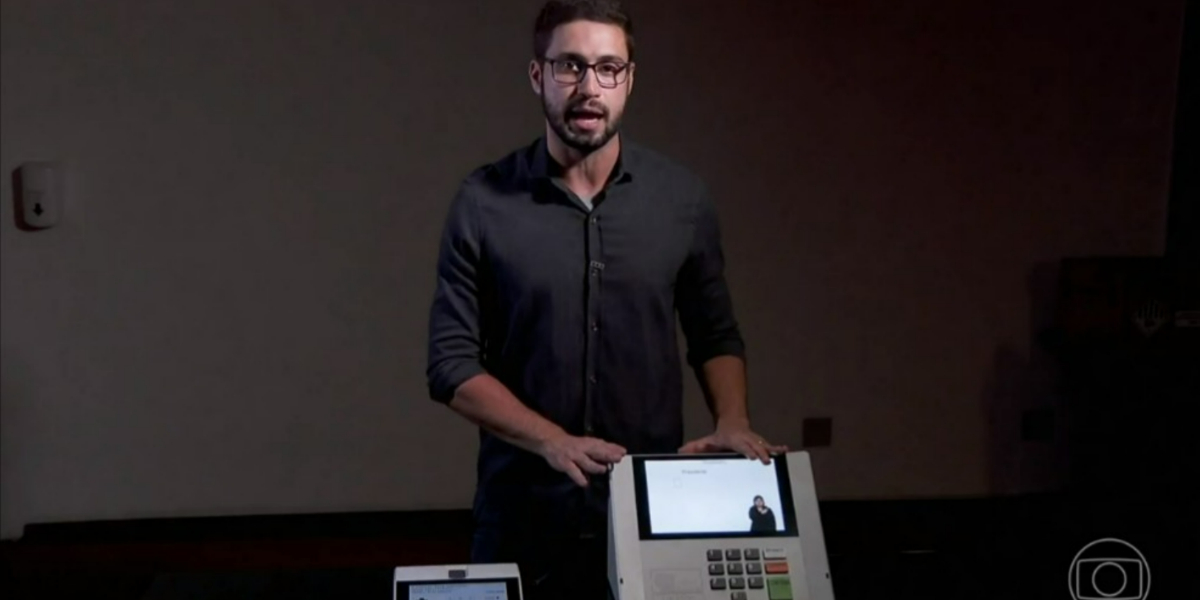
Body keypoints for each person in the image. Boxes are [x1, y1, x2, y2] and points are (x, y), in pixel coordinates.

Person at [425, 1, 787, 598]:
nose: (589, 87)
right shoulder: (483, 202)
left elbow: (714, 333)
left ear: (630, 80)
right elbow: (451, 364)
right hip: (522, 516)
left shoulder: (681, 200)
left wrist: (732, 419)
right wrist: (551, 439)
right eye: (570, 66)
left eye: (608, 68)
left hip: (650, 514)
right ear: (538, 75)